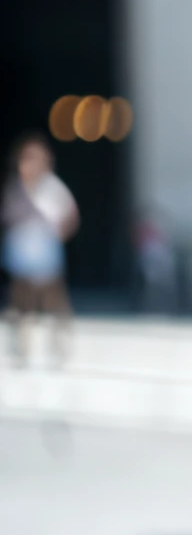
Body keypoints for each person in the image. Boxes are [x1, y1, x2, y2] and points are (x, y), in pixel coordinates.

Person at [2, 130, 80, 363]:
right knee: (20, 301)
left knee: (53, 300)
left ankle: (59, 345)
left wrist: (56, 235)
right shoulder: (15, 189)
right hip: (22, 252)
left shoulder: (51, 188)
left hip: (45, 253)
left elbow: (69, 215)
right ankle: (21, 346)